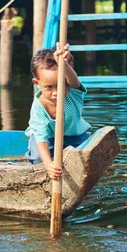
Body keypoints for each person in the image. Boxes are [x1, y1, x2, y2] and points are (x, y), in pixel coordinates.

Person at [25, 43, 91, 179]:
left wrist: (65, 65)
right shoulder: (38, 108)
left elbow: (74, 80)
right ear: (37, 84)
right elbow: (41, 139)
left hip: (74, 136)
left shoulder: (74, 94)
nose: (56, 93)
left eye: (62, 85)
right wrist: (49, 164)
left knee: (88, 157)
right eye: (49, 87)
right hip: (46, 139)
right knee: (39, 159)